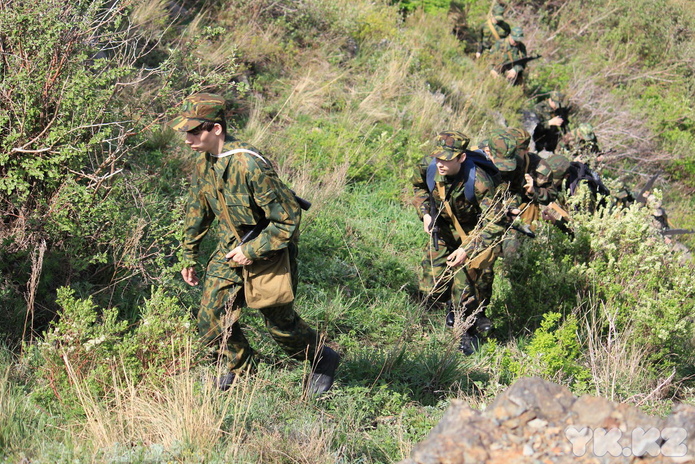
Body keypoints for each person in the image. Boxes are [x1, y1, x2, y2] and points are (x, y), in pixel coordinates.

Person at [171, 92, 339, 394]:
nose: (187, 137)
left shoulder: (249, 166)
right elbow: (199, 208)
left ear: (216, 129)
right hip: (228, 253)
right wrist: (188, 254)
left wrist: (251, 250)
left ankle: (322, 359)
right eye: (186, 130)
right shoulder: (203, 162)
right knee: (211, 319)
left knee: (279, 324)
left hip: (268, 253)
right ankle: (243, 371)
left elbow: (287, 219)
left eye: (194, 130)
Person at [411, 131, 506, 355]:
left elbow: (494, 222)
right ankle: (451, 308)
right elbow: (419, 189)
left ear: (461, 158)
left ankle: (467, 330)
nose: (441, 164)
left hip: (475, 233)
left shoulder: (480, 182)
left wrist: (467, 249)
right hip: (443, 229)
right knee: (432, 286)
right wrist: (425, 213)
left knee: (465, 286)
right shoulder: (428, 167)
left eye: (447, 159)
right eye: (438, 158)